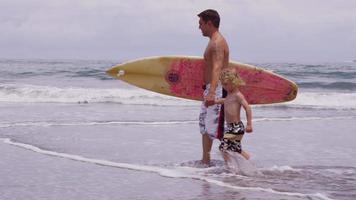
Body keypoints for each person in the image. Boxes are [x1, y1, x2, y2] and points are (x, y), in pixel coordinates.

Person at [197, 9, 230, 165]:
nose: (199, 27)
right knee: (205, 127)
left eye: (201, 23)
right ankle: (205, 161)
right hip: (210, 88)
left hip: (216, 89)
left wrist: (211, 93)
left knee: (217, 129)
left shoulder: (217, 43)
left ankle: (235, 168)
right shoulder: (212, 41)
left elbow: (217, 68)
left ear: (209, 23)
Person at [215, 68, 253, 161]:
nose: (224, 87)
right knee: (236, 149)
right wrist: (218, 101)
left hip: (236, 127)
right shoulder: (229, 94)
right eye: (222, 84)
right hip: (231, 127)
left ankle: (230, 168)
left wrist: (249, 124)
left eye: (226, 84)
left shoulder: (238, 95)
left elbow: (247, 107)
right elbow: (227, 101)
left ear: (234, 82)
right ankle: (250, 162)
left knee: (223, 147)